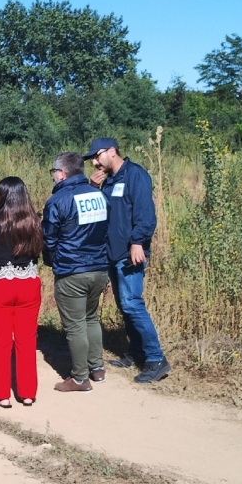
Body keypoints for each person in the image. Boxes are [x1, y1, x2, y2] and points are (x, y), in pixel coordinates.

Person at [86, 137, 171, 383]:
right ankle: (136, 352)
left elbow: (145, 213)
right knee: (125, 305)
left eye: (97, 156)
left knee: (132, 303)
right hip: (112, 252)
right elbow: (102, 214)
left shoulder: (135, 175)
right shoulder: (109, 180)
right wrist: (94, 189)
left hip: (130, 252)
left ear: (112, 151)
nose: (94, 162)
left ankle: (156, 359)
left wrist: (137, 242)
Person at [43, 152, 110, 392]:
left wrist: (52, 262)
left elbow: (48, 239)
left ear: (62, 173)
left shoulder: (58, 200)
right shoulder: (99, 195)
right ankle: (97, 368)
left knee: (75, 325)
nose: (53, 176)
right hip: (99, 268)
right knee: (91, 318)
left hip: (72, 271)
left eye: (53, 172)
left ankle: (80, 378)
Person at [0, 177, 43, 407]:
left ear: (3, 196)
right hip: (28, 283)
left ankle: (2, 394)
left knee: (0, 340)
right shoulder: (34, 222)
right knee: (27, 339)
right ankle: (27, 392)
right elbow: (40, 248)